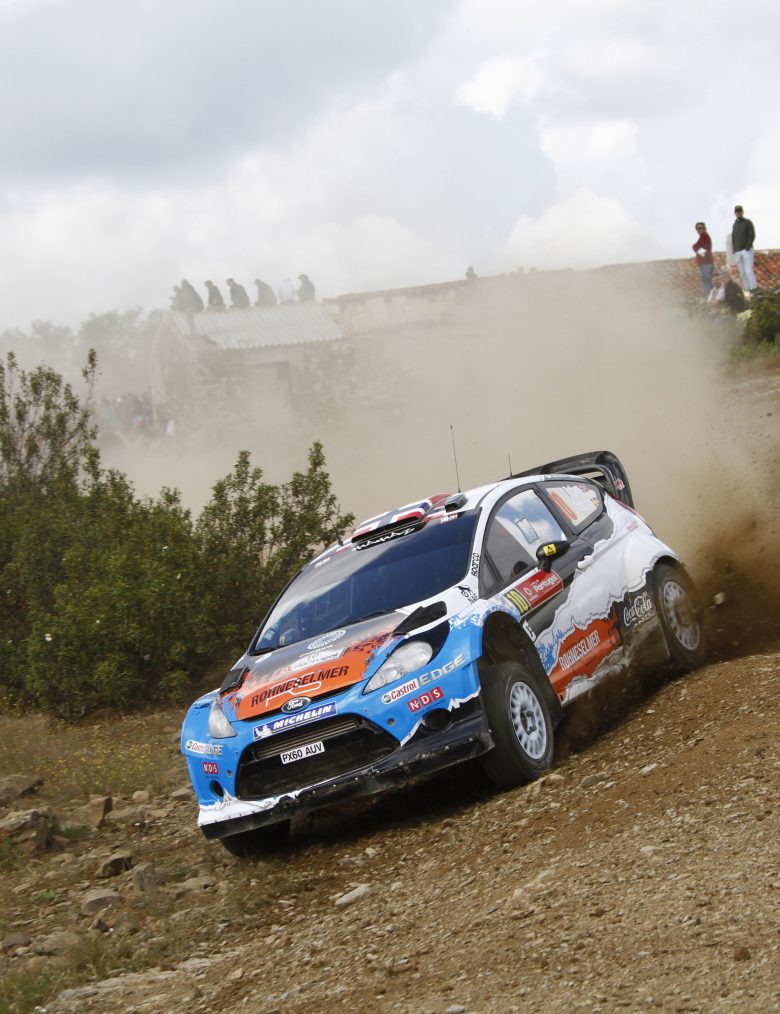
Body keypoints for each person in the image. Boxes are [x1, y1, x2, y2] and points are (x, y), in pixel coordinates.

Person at [732, 205, 756, 292]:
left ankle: (753, 288)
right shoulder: (734, 225)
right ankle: (747, 289)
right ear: (735, 213)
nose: (738, 213)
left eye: (740, 211)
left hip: (747, 250)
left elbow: (752, 235)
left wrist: (747, 247)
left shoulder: (747, 222)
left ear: (742, 212)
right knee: (742, 273)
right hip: (738, 252)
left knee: (749, 270)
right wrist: (734, 250)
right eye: (737, 211)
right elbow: (733, 238)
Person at [692, 222, 713, 296]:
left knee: (707, 282)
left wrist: (695, 247)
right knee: (707, 281)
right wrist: (696, 247)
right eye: (697, 229)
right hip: (704, 264)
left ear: (704, 228)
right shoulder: (702, 237)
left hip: (706, 264)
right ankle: (710, 297)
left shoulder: (704, 236)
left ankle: (710, 297)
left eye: (700, 228)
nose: (698, 230)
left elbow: (704, 252)